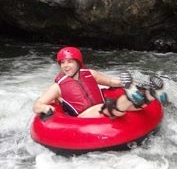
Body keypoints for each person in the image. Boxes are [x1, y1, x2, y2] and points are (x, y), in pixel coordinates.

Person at [32, 46, 166, 118]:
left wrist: (123, 83)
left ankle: (150, 93)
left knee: (137, 107)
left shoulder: (90, 73)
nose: (65, 66)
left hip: (103, 108)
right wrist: (45, 108)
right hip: (83, 116)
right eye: (62, 63)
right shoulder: (57, 86)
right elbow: (37, 104)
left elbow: (111, 82)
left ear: (78, 63)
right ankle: (132, 96)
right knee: (110, 108)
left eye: (69, 62)